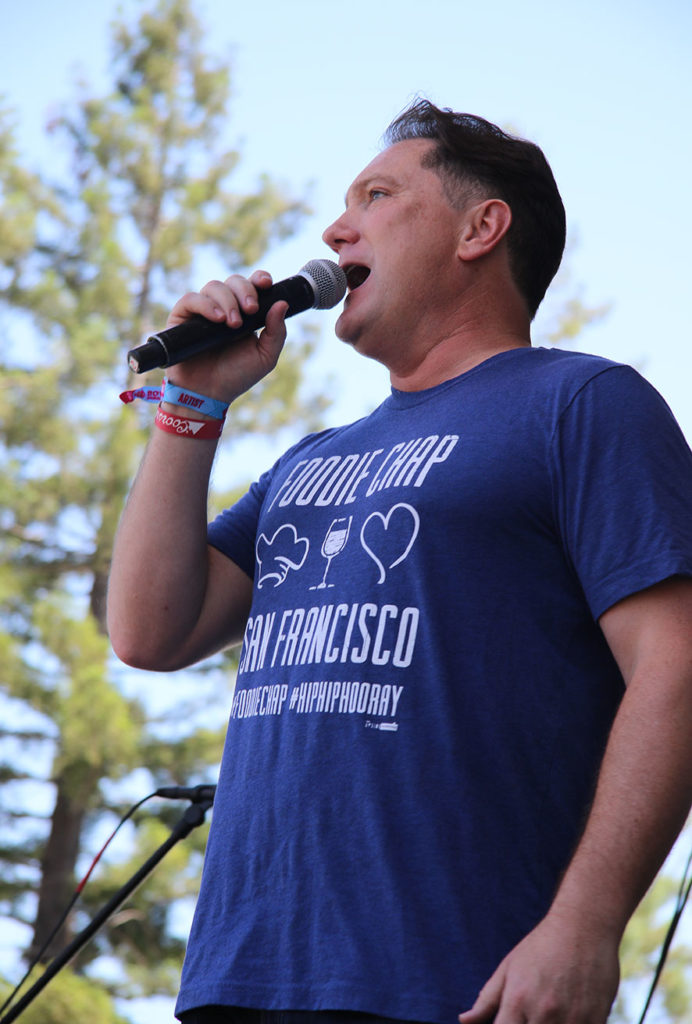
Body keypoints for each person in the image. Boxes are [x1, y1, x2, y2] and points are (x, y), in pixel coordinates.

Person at [107, 99, 692, 1024]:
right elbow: (149, 631)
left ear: (480, 228)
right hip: (241, 981)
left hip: (456, 983)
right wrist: (192, 403)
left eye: (377, 195)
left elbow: (677, 669)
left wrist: (586, 922)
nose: (336, 229)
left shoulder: (583, 405)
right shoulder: (309, 462)